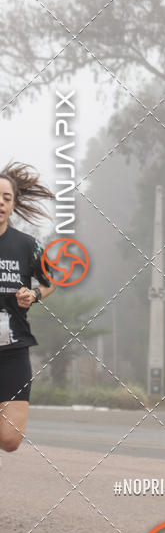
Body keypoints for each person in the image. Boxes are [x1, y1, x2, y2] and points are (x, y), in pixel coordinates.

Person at [0, 163, 55, 455]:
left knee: (10, 440)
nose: (1, 202)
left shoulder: (27, 245)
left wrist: (32, 294)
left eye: (7, 198)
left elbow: (49, 282)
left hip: (13, 349)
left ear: (13, 204)